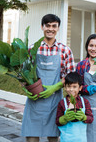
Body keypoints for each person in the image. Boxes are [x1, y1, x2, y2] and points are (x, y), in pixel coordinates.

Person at [21, 14, 75, 142]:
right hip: (34, 101)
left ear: (58, 28)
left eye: (54, 26)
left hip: (54, 102)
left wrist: (54, 87)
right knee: (32, 136)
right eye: (48, 25)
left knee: (53, 137)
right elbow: (23, 73)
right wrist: (25, 89)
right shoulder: (32, 49)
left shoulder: (65, 50)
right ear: (42, 27)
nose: (51, 29)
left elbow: (70, 76)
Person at [56, 72, 93, 142]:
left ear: (80, 88)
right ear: (65, 87)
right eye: (69, 86)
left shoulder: (84, 102)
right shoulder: (62, 103)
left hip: (81, 139)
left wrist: (84, 117)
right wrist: (64, 118)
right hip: (66, 139)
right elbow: (57, 122)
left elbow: (91, 118)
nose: (71, 89)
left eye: (74, 87)